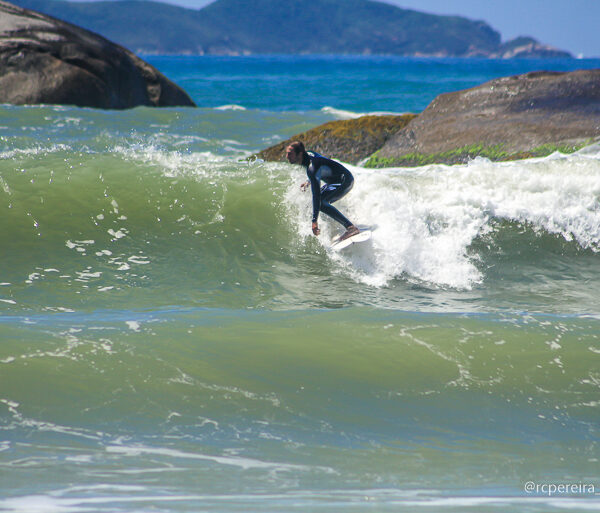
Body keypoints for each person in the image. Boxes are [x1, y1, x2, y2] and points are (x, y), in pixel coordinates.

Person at [286, 141, 360, 241]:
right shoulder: (309, 154)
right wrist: (309, 181)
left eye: (290, 154)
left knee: (320, 203)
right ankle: (336, 228)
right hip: (335, 182)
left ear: (299, 154)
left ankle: (350, 228)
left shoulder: (312, 169)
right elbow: (322, 163)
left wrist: (314, 221)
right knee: (315, 204)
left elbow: (316, 195)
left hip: (345, 181)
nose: (287, 156)